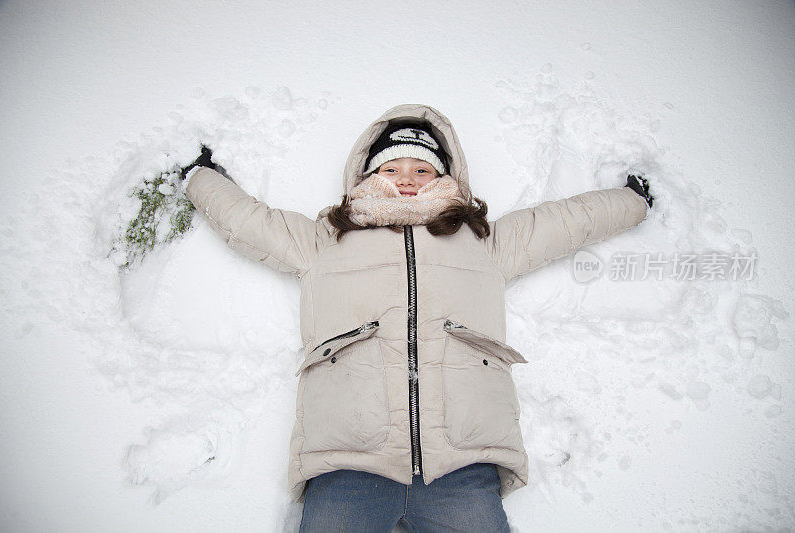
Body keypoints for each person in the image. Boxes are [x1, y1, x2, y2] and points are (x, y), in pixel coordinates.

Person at [181, 104, 653, 532]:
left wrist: (632, 202)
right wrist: (201, 178)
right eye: (392, 167)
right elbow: (249, 223)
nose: (407, 178)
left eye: (422, 168)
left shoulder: (482, 242)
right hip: (348, 462)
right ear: (366, 176)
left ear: (447, 177)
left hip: (461, 465)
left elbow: (564, 223)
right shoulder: (325, 241)